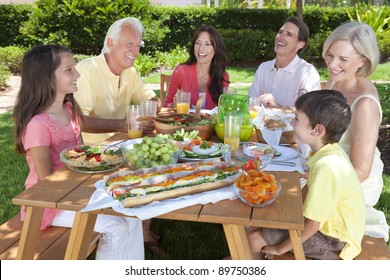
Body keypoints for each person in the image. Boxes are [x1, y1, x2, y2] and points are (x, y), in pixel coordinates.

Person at [13, 45, 144, 260]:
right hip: (47, 205)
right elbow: (47, 185)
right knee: (115, 225)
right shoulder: (38, 125)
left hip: (76, 193)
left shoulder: (69, 111)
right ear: (46, 77)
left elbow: (82, 156)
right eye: (69, 70)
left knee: (133, 214)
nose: (78, 74)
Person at [247, 90, 365, 260]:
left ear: (317, 130)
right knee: (255, 224)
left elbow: (312, 225)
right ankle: (244, 258)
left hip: (334, 241)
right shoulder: (328, 152)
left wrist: (280, 248)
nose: (292, 123)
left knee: (255, 237)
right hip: (331, 230)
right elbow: (310, 190)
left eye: (296, 119)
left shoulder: (326, 166)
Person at [322, 21, 389, 241]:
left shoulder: (365, 104)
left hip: (352, 181)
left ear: (363, 61)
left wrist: (315, 181)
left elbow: (359, 170)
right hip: (329, 165)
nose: (332, 64)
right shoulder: (337, 79)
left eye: (343, 59)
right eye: (330, 55)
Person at [75, 17, 160, 145]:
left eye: (138, 45)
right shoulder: (87, 70)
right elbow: (78, 121)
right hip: (93, 152)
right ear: (111, 43)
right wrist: (123, 125)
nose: (135, 52)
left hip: (122, 144)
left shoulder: (129, 72)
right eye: (129, 44)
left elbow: (154, 101)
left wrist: (145, 119)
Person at [248, 16, 321, 109]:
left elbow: (310, 114)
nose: (280, 37)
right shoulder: (263, 68)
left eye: (289, 34)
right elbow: (250, 103)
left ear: (301, 44)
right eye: (280, 32)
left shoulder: (307, 72)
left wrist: (278, 107)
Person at [164, 25, 230, 110]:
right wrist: (174, 106)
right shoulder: (180, 72)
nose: (201, 48)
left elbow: (224, 110)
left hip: (211, 123)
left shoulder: (223, 76)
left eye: (208, 44)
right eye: (198, 43)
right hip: (185, 122)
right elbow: (167, 104)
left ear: (216, 49)